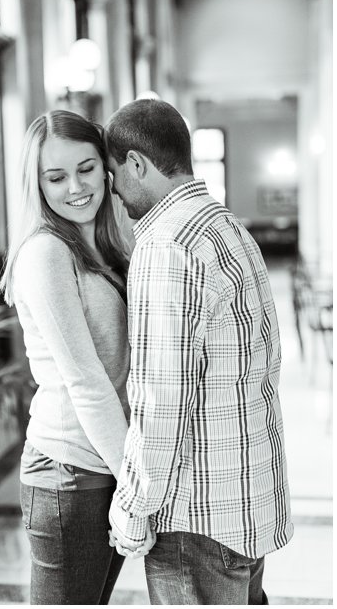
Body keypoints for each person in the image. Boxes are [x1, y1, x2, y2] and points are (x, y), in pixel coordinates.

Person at [104, 99, 293, 604]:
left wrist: (132, 507)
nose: (115, 192)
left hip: (196, 520)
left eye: (113, 174)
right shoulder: (228, 227)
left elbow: (162, 400)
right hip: (248, 500)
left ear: (137, 164)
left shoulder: (166, 244)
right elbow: (269, 363)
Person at [0, 110, 137, 604]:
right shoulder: (45, 253)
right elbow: (87, 381)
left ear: (106, 167)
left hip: (102, 463)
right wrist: (134, 481)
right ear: (36, 185)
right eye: (56, 177)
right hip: (69, 473)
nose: (76, 187)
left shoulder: (101, 241)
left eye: (86, 168)